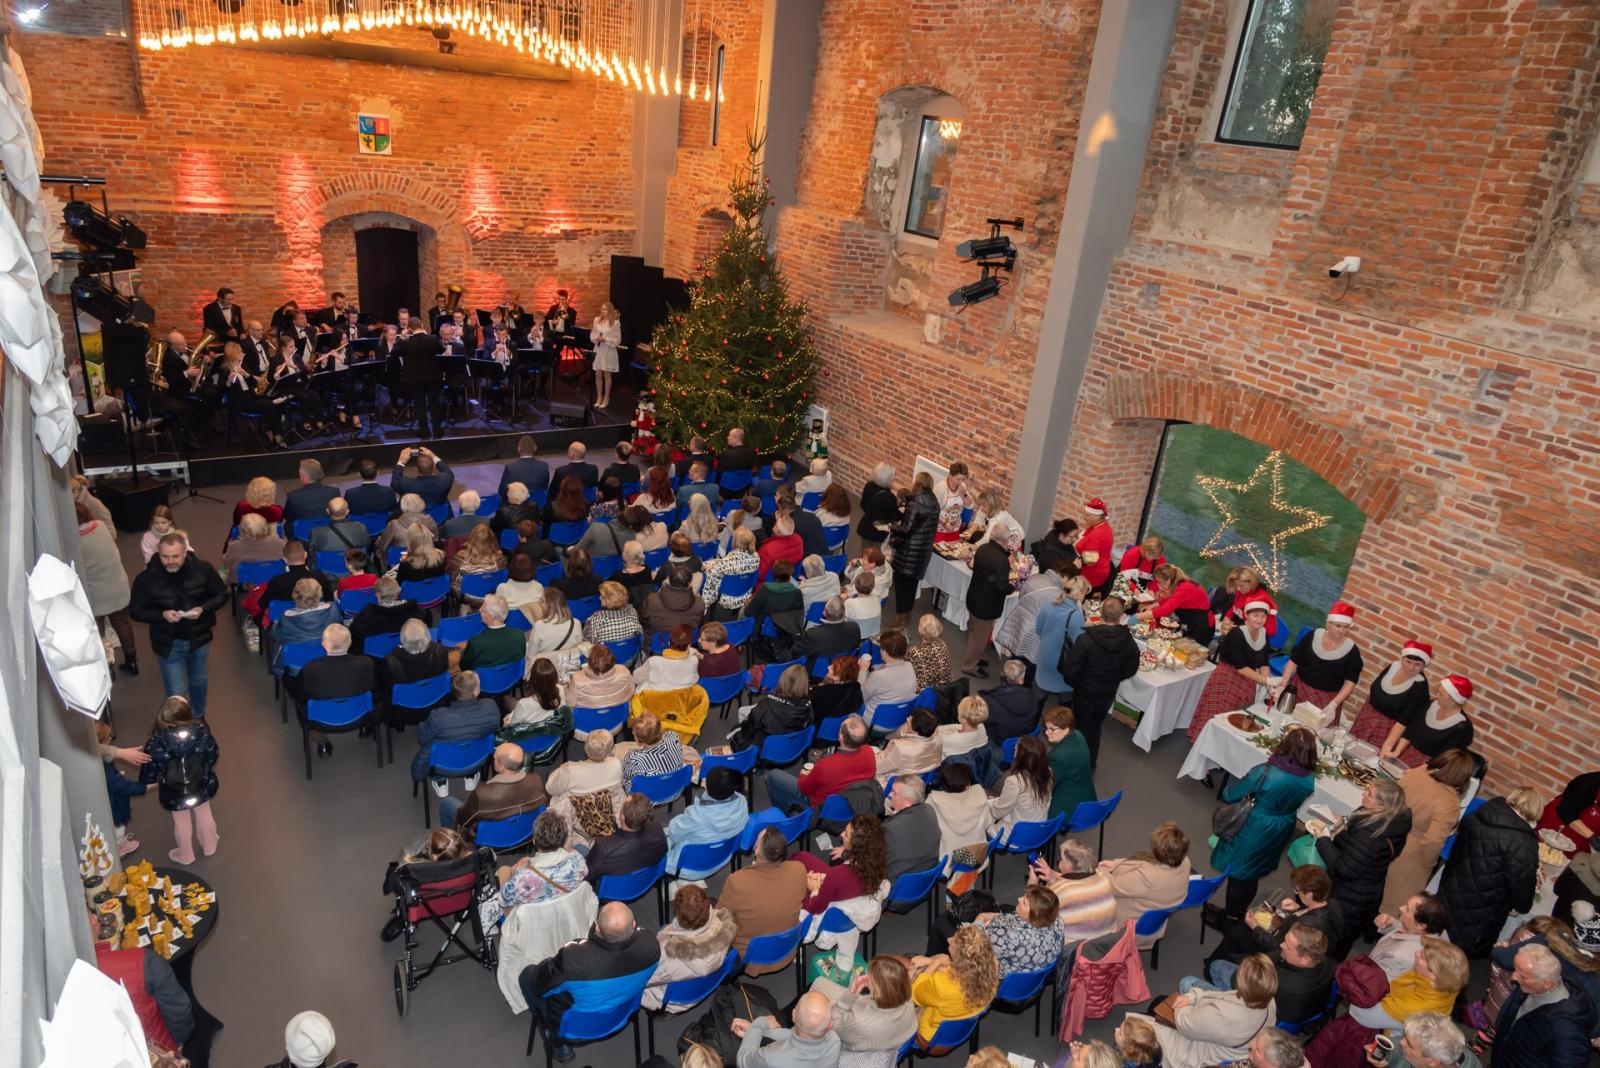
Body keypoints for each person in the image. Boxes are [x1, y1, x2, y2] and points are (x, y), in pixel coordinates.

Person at [519, 901, 662, 1063]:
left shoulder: (573, 959)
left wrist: (549, 964)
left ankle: (558, 1044)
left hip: (574, 1028)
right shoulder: (651, 946)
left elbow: (540, 988)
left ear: (597, 927)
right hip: (624, 1013)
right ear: (634, 924)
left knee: (527, 975)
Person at [1212, 727, 1318, 921]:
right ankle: (1238, 913)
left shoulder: (1268, 771)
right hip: (1284, 824)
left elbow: (1233, 794)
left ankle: (1231, 917)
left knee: (1239, 871)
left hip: (1256, 824)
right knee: (1254, 870)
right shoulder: (1309, 778)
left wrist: (1228, 792)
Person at [128, 534, 228, 718]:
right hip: (168, 643)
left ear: (185, 553)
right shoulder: (146, 578)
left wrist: (203, 609)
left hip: (198, 639)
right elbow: (135, 610)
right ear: (159, 553)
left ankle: (198, 716)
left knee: (198, 682)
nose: (170, 561)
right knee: (176, 691)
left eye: (175, 556)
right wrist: (161, 615)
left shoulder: (203, 570)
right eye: (165, 556)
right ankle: (178, 725)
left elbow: (221, 594)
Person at [1437, 785, 1541, 956]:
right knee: (1455, 955)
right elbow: (1522, 885)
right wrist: (1522, 906)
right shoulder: (1523, 842)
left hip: (1452, 887)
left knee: (1437, 936)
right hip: (1483, 909)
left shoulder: (1480, 814)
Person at [1315, 778, 1413, 956]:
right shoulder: (1396, 822)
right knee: (1347, 932)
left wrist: (1322, 841)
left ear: (1381, 805)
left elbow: (1343, 869)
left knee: (1335, 933)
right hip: (1370, 887)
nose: (1363, 794)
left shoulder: (1369, 837)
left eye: (1369, 794)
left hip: (1349, 894)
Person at [1131, 953, 1277, 1068]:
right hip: (1225, 1040)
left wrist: (1183, 1005)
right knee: (1163, 1000)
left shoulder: (1224, 1016)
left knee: (1135, 1026)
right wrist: (1194, 996)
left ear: (1242, 982)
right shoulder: (1267, 999)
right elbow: (1223, 995)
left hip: (1203, 1055)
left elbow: (1184, 1024)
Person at [89, 906, 194, 1055]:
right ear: (94, 922)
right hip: (159, 1055)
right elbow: (179, 1013)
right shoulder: (143, 961)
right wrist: (177, 1043)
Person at [1380, 749, 1474, 915]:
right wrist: (1428, 863)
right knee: (1392, 907)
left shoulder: (1417, 773)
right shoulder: (1450, 804)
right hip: (1410, 856)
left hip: (1386, 834)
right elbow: (1433, 841)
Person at [1058, 595, 1141, 768]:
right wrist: (1115, 677)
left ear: (1101, 613)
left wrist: (1077, 683)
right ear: (1120, 616)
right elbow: (1131, 669)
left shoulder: (1086, 639)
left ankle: (1073, 763)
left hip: (1084, 690)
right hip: (1107, 691)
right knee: (1095, 726)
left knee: (1080, 725)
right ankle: (1090, 762)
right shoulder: (1129, 642)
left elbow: (1071, 669)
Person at [140, 696, 221, 864]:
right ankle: (210, 845)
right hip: (201, 784)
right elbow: (213, 754)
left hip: (173, 791)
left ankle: (186, 855)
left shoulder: (156, 741)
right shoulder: (201, 732)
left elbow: (150, 765)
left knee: (181, 822)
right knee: (204, 814)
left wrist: (147, 781)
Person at [719, 826, 810, 973]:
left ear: (756, 850)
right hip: (787, 947)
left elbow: (719, 918)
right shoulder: (799, 869)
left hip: (750, 957)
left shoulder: (737, 882)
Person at [1492, 943, 1596, 1068]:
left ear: (1547, 983)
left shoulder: (1567, 1030)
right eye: (1515, 969)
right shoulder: (1530, 986)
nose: (1514, 977)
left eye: (1522, 976)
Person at [1187, 600, 1275, 743]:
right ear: (1246, 615)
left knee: (1235, 718)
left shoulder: (1264, 634)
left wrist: (1267, 680)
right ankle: (1201, 741)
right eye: (1255, 615)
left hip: (1248, 680)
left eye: (1263, 617)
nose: (1259, 620)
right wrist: (1267, 680)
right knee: (1217, 712)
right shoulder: (1237, 634)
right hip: (1227, 677)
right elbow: (1240, 667)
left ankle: (1219, 746)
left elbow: (1264, 661)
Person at [641, 884, 738, 1013]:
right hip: (702, 984)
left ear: (677, 914)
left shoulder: (668, 957)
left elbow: (644, 981)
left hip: (674, 1000)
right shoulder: (723, 926)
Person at [807, 955, 918, 1063]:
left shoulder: (860, 1022)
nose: (865, 975)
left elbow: (833, 1025)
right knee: (820, 986)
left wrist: (849, 996)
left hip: (858, 1036)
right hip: (888, 1033)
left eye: (869, 976)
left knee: (816, 1000)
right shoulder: (907, 999)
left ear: (877, 991)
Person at [1272, 602, 1364, 726]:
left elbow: (1350, 683)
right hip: (1298, 689)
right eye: (1338, 626)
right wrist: (1283, 684)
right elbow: (1294, 661)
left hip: (1325, 700)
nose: (1342, 631)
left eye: (1346, 627)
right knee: (1283, 722)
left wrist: (1334, 704)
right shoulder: (1313, 636)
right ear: (1328, 624)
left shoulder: (1352, 651)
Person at [905, 925, 1000, 1046]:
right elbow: (962, 973)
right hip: (966, 1015)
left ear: (960, 960)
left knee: (904, 974)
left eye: (953, 942)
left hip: (930, 1036)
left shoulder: (942, 986)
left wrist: (935, 963)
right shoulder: (993, 965)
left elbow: (915, 995)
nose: (949, 939)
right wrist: (931, 961)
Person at [1349, 936, 1469, 1030]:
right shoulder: (1446, 983)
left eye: (1422, 957)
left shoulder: (1412, 1008)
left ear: (1434, 974)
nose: (1416, 953)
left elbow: (1360, 1014)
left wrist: (1353, 988)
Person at [764, 714, 875, 814]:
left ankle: (781, 813)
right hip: (848, 803)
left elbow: (804, 788)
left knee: (773, 775)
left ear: (841, 736)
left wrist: (803, 774)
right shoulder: (869, 752)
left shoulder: (827, 765)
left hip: (820, 805)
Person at [76, 502, 138, 677]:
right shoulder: (101, 527)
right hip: (117, 587)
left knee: (99, 631)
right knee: (123, 624)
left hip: (96, 595)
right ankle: (132, 661)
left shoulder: (76, 542)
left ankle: (107, 667)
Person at [295, 623, 375, 758]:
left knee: (302, 706)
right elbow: (374, 688)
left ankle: (322, 743)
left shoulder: (310, 669)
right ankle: (365, 727)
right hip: (360, 715)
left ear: (324, 644)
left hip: (321, 720)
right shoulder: (366, 663)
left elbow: (299, 695)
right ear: (349, 642)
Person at [409, 671, 502, 787]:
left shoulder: (439, 716)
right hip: (478, 757)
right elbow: (494, 728)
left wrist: (423, 725)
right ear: (476, 691)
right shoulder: (491, 707)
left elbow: (422, 739)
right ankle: (471, 774)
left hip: (443, 764)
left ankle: (440, 780)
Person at [791, 814, 890, 913]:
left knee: (794, 882)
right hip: (843, 884)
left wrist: (814, 889)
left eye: (846, 834)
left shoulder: (837, 875)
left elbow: (815, 909)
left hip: (821, 903)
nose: (841, 834)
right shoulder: (875, 862)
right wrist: (825, 878)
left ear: (856, 845)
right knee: (800, 856)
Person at [443, 741, 547, 834]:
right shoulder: (536, 780)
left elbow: (464, 820)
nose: (493, 759)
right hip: (521, 833)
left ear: (502, 766)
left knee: (447, 803)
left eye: (494, 758)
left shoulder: (483, 794)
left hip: (488, 838)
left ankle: (450, 843)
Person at [1028, 837, 1120, 942]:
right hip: (1105, 942)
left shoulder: (1060, 890)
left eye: (1060, 858)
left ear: (1069, 865)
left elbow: (1034, 912)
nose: (1059, 861)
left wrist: (1032, 886)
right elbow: (1079, 881)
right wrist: (1054, 875)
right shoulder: (1103, 876)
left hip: (1075, 949)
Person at [1380, 673, 1475, 771]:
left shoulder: (1462, 729)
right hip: (1407, 754)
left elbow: (1444, 759)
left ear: (1453, 700)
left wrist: (1416, 772)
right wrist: (1397, 751)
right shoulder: (1431, 705)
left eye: (1440, 694)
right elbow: (1411, 729)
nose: (1437, 696)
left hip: (1429, 767)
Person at [665, 766, 749, 871]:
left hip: (689, 867)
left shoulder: (695, 816)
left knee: (664, 834)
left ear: (707, 787)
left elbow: (674, 834)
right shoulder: (742, 802)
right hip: (723, 857)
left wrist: (676, 821)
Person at [733, 990, 841, 1068]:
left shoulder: (771, 1058)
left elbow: (742, 1061)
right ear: (829, 1026)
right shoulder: (834, 1041)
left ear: (794, 1015)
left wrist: (759, 1024)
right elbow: (796, 1036)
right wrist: (761, 1032)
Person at [962, 520, 1014, 677]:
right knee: (980, 638)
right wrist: (1011, 587)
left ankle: (973, 658)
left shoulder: (983, 549)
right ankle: (969, 665)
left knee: (973, 632)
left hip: (974, 597)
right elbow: (1001, 587)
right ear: (1005, 540)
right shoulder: (1001, 560)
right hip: (986, 604)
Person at [887, 473, 939, 628]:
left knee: (901, 584)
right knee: (912, 584)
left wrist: (891, 526)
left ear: (917, 484)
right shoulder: (934, 503)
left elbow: (906, 529)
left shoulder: (914, 504)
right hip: (923, 553)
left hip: (908, 552)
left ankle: (899, 619)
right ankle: (908, 614)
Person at [729, 664, 813, 752]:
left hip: (766, 750)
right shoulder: (808, 706)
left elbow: (748, 731)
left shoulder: (766, 705)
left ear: (782, 680)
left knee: (736, 729)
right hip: (791, 748)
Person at [1370, 892, 1449, 980]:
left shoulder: (1400, 958)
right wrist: (1391, 924)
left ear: (1421, 925)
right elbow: (1411, 933)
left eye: (1407, 909)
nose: (1401, 908)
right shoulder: (1431, 932)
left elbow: (1373, 982)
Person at [927, 762, 991, 863]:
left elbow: (930, 833)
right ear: (968, 784)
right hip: (976, 856)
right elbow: (988, 824)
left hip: (948, 861)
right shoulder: (980, 796)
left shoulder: (933, 801)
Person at [1138, 563, 1216, 645]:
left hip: (1202, 626)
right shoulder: (1178, 584)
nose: (1158, 585)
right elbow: (1171, 600)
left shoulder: (1184, 588)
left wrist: (1138, 616)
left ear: (1168, 580)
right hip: (1192, 622)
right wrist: (1153, 605)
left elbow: (1166, 609)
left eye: (1160, 582)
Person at [882, 775, 942, 881]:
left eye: (894, 792)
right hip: (926, 877)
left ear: (907, 802)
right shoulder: (930, 810)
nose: (890, 794)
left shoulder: (890, 828)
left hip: (898, 884)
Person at [990, 734, 1053, 833]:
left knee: (981, 818)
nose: (1014, 754)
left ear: (1022, 757)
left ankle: (967, 848)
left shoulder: (1014, 781)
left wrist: (990, 803)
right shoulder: (1048, 772)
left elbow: (998, 812)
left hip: (1015, 834)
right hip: (1038, 830)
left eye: (1015, 751)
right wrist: (999, 801)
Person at [1379, 1011, 1482, 1068]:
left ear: (1433, 1062)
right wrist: (1387, 1053)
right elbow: (1400, 1045)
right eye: (1405, 1036)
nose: (1402, 1042)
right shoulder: (1447, 1048)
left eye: (1409, 1044)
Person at [545, 729, 623, 799]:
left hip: (576, 810)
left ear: (586, 748)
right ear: (609, 752)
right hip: (605, 806)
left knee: (552, 775)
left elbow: (550, 789)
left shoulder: (570, 772)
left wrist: (561, 769)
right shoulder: (617, 764)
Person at [621, 712, 688, 792]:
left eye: (634, 733)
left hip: (649, 797)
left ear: (639, 741)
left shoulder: (634, 758)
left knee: (623, 778)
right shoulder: (673, 737)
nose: (632, 733)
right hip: (675, 788)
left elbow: (626, 774)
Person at [876, 707, 943, 781]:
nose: (907, 720)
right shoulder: (938, 739)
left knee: (872, 749)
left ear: (915, 731)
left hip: (893, 783)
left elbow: (877, 767)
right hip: (917, 780)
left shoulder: (899, 748)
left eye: (908, 720)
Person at [980, 658, 1038, 742]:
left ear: (1002, 676)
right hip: (1022, 741)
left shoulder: (990, 700)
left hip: (998, 742)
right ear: (1021, 680)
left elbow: (982, 723)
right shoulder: (1032, 697)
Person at [634, 622, 702, 692]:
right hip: (681, 700)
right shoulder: (694, 660)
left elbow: (636, 678)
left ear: (669, 642)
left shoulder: (653, 662)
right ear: (689, 646)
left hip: (653, 699)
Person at [796, 597, 863, 664]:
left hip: (819, 671)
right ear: (844, 612)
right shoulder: (854, 627)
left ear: (824, 613)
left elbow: (797, 653)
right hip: (846, 665)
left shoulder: (813, 634)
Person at [582, 581, 644, 646]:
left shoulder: (596, 619)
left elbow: (587, 643)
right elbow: (640, 637)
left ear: (610, 601)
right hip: (630, 654)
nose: (599, 598)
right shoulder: (632, 611)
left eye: (602, 597)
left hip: (605, 655)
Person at [375, 493, 439, 555]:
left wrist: (377, 542)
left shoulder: (394, 524)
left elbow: (382, 546)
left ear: (402, 506)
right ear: (421, 504)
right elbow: (435, 541)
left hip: (399, 561)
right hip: (426, 559)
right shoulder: (431, 521)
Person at [1074, 498, 1115, 595]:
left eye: (1087, 515)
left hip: (1091, 574)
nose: (1085, 517)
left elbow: (1091, 559)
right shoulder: (1102, 526)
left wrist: (1074, 564)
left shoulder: (1097, 535)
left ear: (1096, 517)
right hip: (1099, 570)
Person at [283, 458, 340, 526]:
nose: (299, 477)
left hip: (303, 534)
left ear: (306, 477)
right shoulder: (334, 492)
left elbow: (288, 517)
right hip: (330, 531)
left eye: (300, 474)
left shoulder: (293, 497)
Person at [902, 612, 951, 690]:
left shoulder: (914, 651)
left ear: (920, 630)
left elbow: (904, 668)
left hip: (923, 691)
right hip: (943, 688)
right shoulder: (942, 644)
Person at [307, 497, 371, 555]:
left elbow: (312, 554)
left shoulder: (316, 533)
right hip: (354, 565)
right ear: (347, 512)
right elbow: (367, 548)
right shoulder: (361, 528)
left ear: (328, 511)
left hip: (327, 567)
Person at [857, 463, 901, 546]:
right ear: (887, 478)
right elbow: (896, 517)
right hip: (878, 534)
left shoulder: (868, 486)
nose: (894, 478)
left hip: (865, 528)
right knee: (875, 557)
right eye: (893, 476)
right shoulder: (889, 497)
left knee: (864, 555)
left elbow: (862, 504)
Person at [811, 655, 864, 721]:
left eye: (833, 668)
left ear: (838, 678)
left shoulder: (822, 694)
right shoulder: (856, 689)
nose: (828, 667)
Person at [842, 571, 883, 639]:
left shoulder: (850, 603)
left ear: (855, 585)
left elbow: (841, 618)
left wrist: (843, 601)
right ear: (873, 587)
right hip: (872, 636)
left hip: (854, 637)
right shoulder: (877, 599)